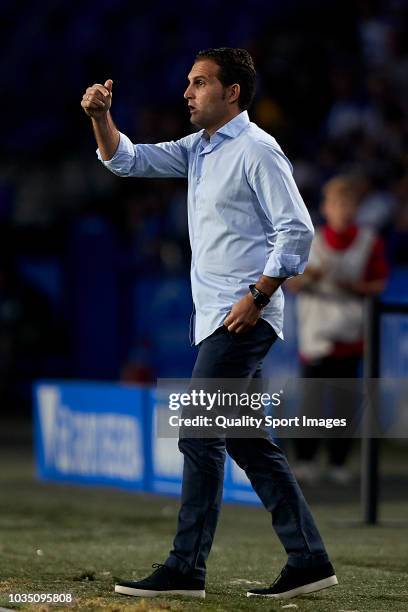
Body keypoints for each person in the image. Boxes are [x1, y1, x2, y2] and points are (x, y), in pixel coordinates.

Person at [81, 47, 338, 600]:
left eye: (199, 83)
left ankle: (185, 568)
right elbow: (125, 160)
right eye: (188, 83)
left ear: (232, 93)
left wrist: (256, 296)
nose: (187, 93)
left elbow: (297, 232)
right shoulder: (198, 149)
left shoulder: (257, 149)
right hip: (221, 315)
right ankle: (310, 559)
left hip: (242, 317)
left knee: (199, 433)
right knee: (248, 442)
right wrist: (101, 117)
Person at [287, 175, 388, 485]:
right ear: (326, 207)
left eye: (349, 204)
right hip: (316, 334)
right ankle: (305, 460)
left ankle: (338, 462)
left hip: (351, 333)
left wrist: (355, 286)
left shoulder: (369, 241)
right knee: (312, 400)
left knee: (345, 401)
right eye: (338, 204)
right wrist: (313, 276)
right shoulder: (310, 240)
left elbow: (379, 284)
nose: (343, 210)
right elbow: (289, 283)